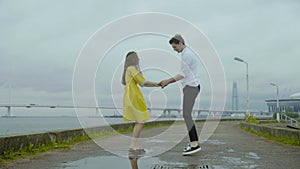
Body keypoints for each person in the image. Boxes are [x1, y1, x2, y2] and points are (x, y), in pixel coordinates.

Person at [159, 34, 201, 155]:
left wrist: (167, 81)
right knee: (187, 115)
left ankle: (195, 144)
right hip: (191, 87)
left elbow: (182, 74)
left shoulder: (187, 55)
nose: (174, 49)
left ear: (181, 43)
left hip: (191, 87)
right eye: (173, 48)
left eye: (175, 47)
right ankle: (194, 142)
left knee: (187, 115)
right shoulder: (186, 54)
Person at [122, 51, 159, 155]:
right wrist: (156, 84)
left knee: (140, 121)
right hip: (133, 96)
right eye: (137, 57)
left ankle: (134, 145)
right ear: (134, 59)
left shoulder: (128, 69)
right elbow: (143, 82)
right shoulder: (132, 69)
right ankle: (133, 146)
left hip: (131, 96)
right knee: (141, 120)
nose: (139, 59)